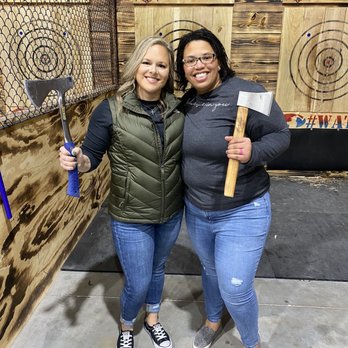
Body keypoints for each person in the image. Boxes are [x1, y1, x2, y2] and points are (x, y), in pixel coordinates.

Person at [59, 36, 184, 348]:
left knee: (157, 269)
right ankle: (127, 326)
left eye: (161, 65)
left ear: (169, 72)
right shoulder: (111, 110)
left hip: (170, 212)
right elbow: (90, 158)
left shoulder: (179, 110)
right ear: (135, 66)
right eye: (147, 62)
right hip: (131, 215)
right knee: (138, 280)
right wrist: (76, 160)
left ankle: (152, 320)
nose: (153, 70)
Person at [176, 29, 291, 348]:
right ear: (182, 67)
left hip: (243, 210)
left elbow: (282, 135)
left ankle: (252, 342)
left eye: (206, 57)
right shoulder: (188, 101)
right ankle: (213, 320)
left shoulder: (251, 92)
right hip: (197, 211)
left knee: (236, 287)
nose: (198, 65)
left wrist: (253, 151)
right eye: (190, 60)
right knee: (210, 271)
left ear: (219, 60)